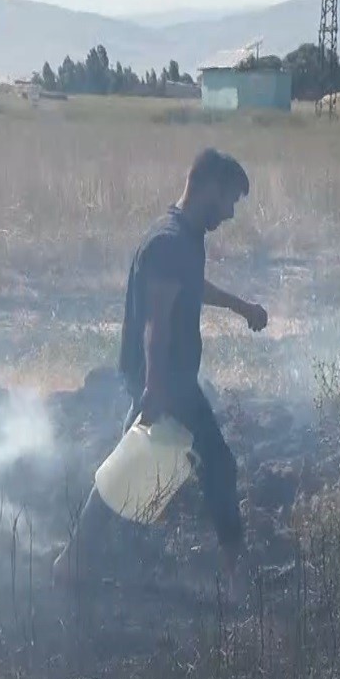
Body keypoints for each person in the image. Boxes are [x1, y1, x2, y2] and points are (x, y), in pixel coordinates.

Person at [53, 147, 267, 594]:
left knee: (133, 462)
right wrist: (153, 387)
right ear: (207, 186)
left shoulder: (184, 238)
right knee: (217, 465)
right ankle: (236, 572)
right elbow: (156, 321)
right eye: (228, 201)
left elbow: (191, 285)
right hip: (166, 379)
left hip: (167, 378)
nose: (229, 213)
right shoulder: (169, 242)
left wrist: (240, 306)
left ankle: (76, 557)